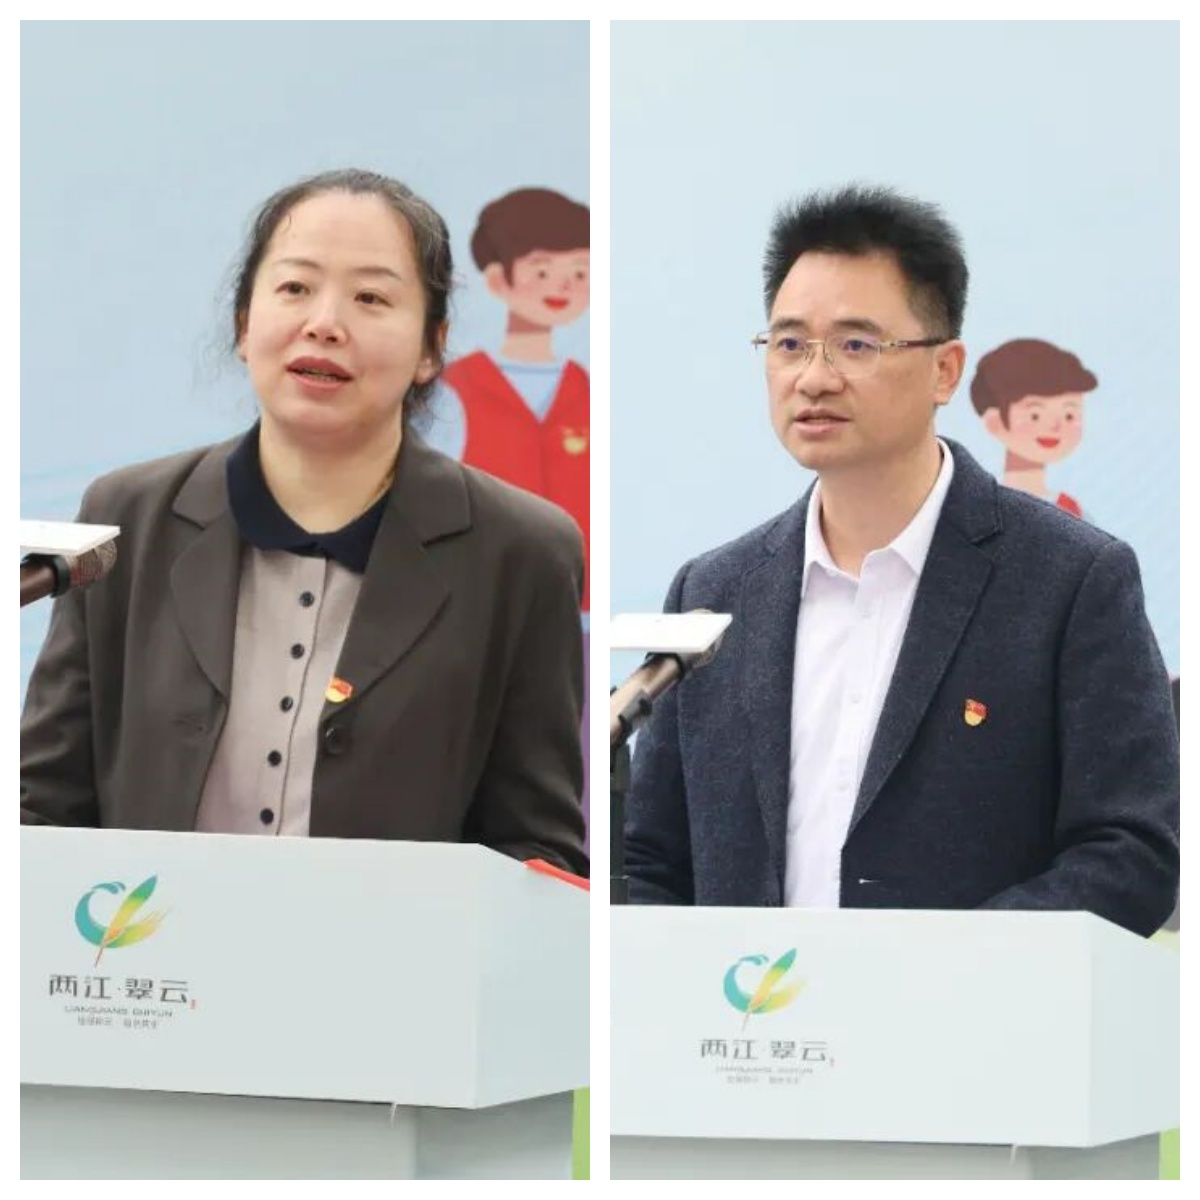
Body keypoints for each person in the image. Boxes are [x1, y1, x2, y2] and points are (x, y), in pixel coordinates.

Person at [624, 185, 1177, 936]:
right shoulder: (714, 592)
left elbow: (1132, 850)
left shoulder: (1071, 579)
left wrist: (938, 977)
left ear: (945, 370)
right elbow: (650, 860)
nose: (813, 378)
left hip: (974, 1010)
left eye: (856, 345)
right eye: (789, 344)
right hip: (743, 1009)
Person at [20, 168, 588, 876]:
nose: (324, 323)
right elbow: (42, 806)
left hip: (393, 947)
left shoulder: (521, 552)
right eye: (294, 288)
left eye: (371, 297)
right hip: (148, 940)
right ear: (243, 325)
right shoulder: (125, 522)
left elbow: (535, 846)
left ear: (431, 348)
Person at [430, 188, 591, 609]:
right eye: (542, 270)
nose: (563, 286)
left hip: (578, 613)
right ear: (498, 279)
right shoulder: (452, 390)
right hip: (477, 607)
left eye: (580, 272)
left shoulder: (588, 391)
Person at [970, 337, 1097, 517]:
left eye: (1069, 415)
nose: (1054, 426)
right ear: (994, 422)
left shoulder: (1072, 511)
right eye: (1035, 415)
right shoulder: (981, 505)